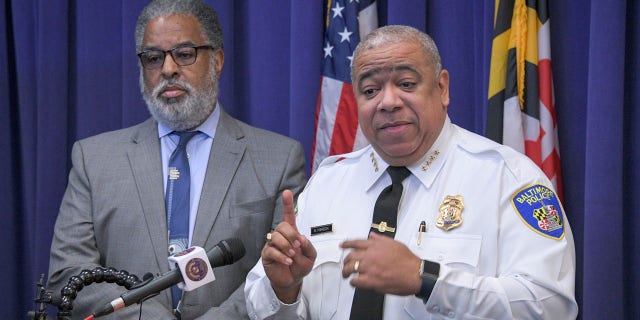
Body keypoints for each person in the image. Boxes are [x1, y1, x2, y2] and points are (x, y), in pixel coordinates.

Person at [245, 25, 578, 319]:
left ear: (442, 88)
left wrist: (426, 279)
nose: (388, 102)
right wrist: (284, 291)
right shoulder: (328, 183)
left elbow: (551, 307)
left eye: (405, 83)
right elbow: (261, 306)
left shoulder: (507, 178)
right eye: (370, 90)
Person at [47, 0, 306, 319]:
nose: (168, 69)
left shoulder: (280, 159)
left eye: (184, 54)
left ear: (218, 60)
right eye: (153, 58)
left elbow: (283, 271)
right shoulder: (93, 159)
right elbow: (69, 274)